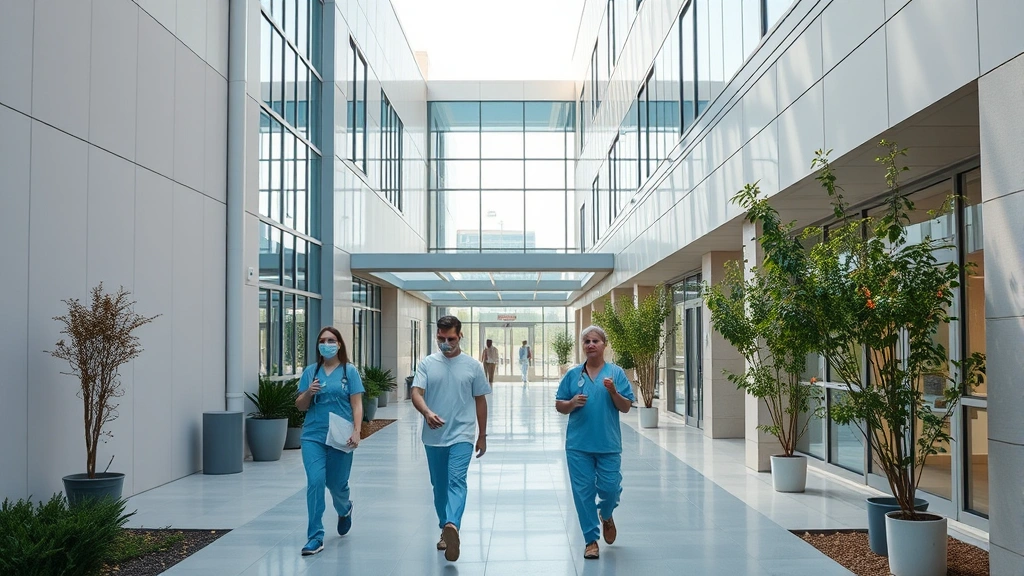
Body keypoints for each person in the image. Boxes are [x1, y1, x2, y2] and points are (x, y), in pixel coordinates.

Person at [411, 315, 490, 562]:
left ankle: (452, 525)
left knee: (457, 480)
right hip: (433, 436)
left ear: (460, 336)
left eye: (451, 338)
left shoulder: (473, 366)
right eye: (441, 338)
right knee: (439, 487)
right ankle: (445, 530)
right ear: (436, 335)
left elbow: (480, 400)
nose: (446, 343)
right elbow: (416, 392)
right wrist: (426, 412)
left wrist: (482, 435)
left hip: (462, 435)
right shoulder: (427, 364)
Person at [554, 325, 634, 560]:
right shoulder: (573, 375)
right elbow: (560, 405)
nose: (590, 345)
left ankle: (606, 514)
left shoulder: (615, 374)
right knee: (583, 493)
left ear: (604, 345)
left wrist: (613, 392)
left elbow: (626, 407)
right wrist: (571, 403)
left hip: (608, 444)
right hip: (578, 445)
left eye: (595, 341)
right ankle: (591, 540)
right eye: (586, 341)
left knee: (609, 489)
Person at [294, 326, 365, 556]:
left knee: (337, 485)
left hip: (341, 436)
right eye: (322, 340)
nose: (327, 344)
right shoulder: (310, 372)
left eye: (331, 340)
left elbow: (357, 404)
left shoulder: (349, 371)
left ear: (339, 344)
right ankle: (315, 536)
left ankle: (345, 509)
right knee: (315, 482)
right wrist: (309, 393)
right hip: (313, 435)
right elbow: (300, 405)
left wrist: (357, 430)